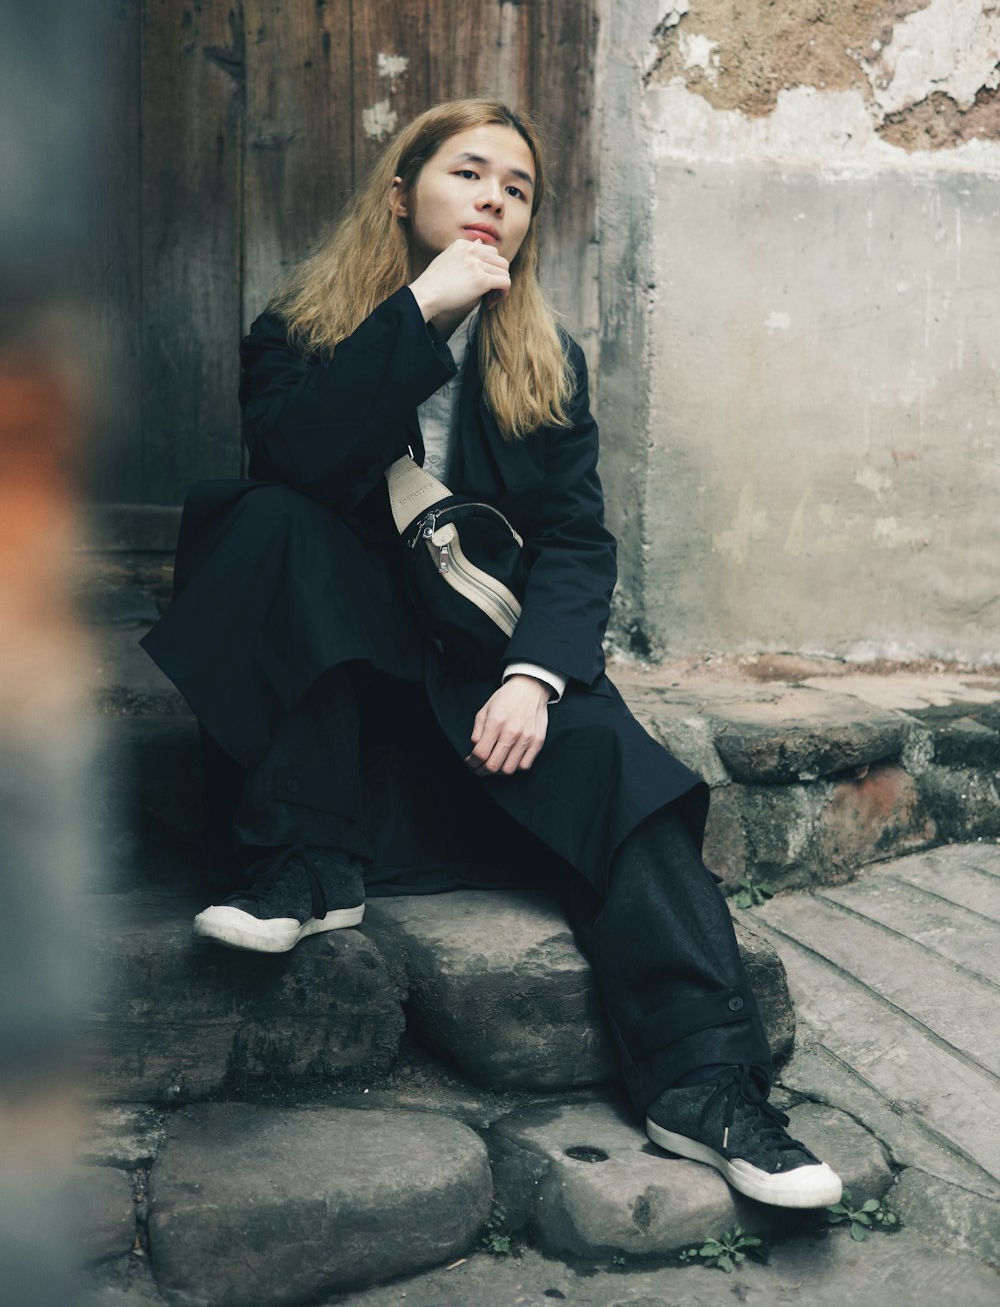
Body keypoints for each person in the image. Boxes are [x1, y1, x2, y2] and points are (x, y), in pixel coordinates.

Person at [141, 98, 842, 1210]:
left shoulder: (542, 358)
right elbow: (300, 460)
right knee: (262, 518)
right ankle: (304, 869)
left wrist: (534, 676)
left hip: (481, 710)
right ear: (400, 194)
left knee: (623, 766)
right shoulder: (300, 330)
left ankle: (708, 1089)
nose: (495, 201)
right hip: (343, 733)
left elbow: (573, 542)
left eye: (517, 190)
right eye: (470, 174)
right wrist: (419, 315)